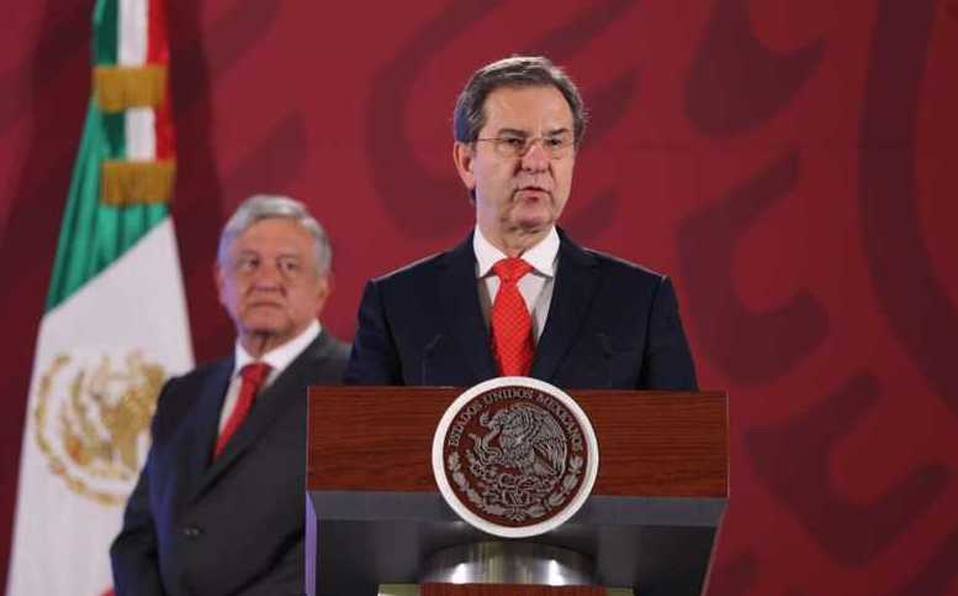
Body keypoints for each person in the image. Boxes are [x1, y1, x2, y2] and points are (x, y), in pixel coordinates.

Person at [344, 55, 696, 389]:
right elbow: (359, 431)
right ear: (466, 161)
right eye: (513, 141)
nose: (537, 162)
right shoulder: (396, 303)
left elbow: (682, 431)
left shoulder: (641, 300)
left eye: (555, 142)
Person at [111, 195, 349, 596]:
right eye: (249, 263)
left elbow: (341, 545)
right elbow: (137, 536)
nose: (267, 280)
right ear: (222, 284)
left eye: (289, 265)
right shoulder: (182, 395)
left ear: (323, 286)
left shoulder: (357, 383)